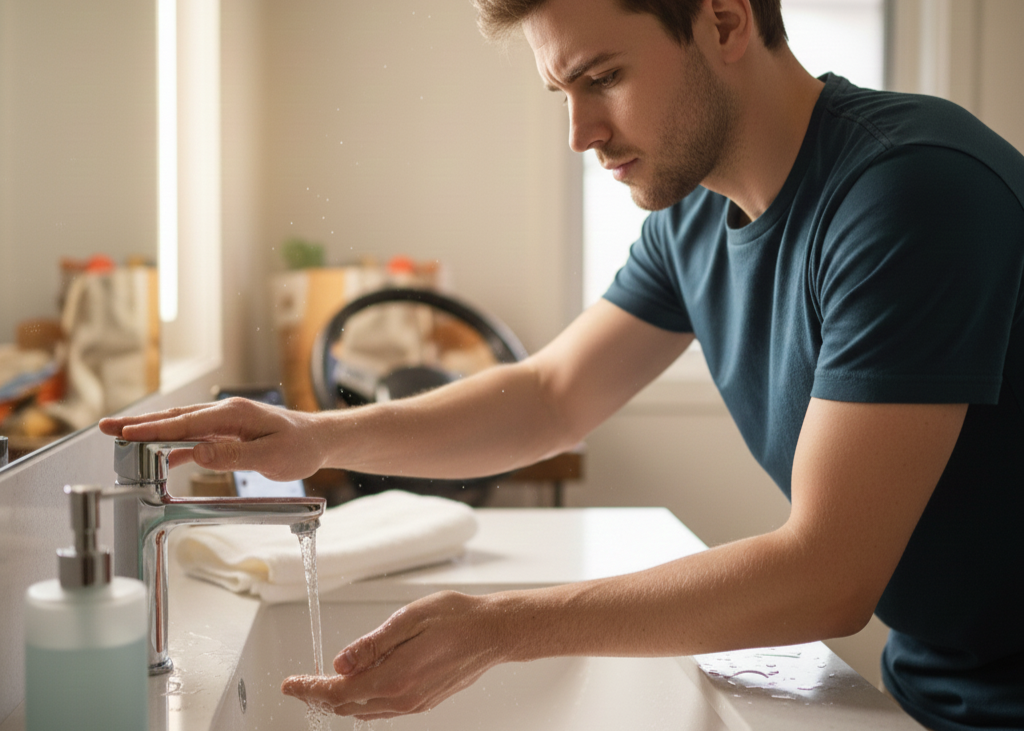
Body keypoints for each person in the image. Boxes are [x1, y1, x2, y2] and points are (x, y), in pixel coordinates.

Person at [100, 0, 1024, 728]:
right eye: (563, 93)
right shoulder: (693, 217)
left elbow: (826, 574)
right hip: (934, 689)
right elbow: (549, 396)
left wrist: (503, 628)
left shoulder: (910, 192)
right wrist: (316, 438)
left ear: (726, 20)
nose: (581, 134)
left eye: (605, 77)